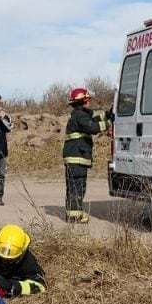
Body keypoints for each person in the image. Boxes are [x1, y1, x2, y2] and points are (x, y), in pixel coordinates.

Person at [63, 87, 112, 223]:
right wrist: (108, 123)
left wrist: (107, 114)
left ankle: (72, 214)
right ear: (83, 100)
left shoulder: (79, 115)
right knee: (77, 187)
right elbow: (92, 127)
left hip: (75, 158)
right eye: (88, 99)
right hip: (77, 158)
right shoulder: (80, 116)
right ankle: (75, 217)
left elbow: (92, 121)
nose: (89, 101)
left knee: (73, 187)